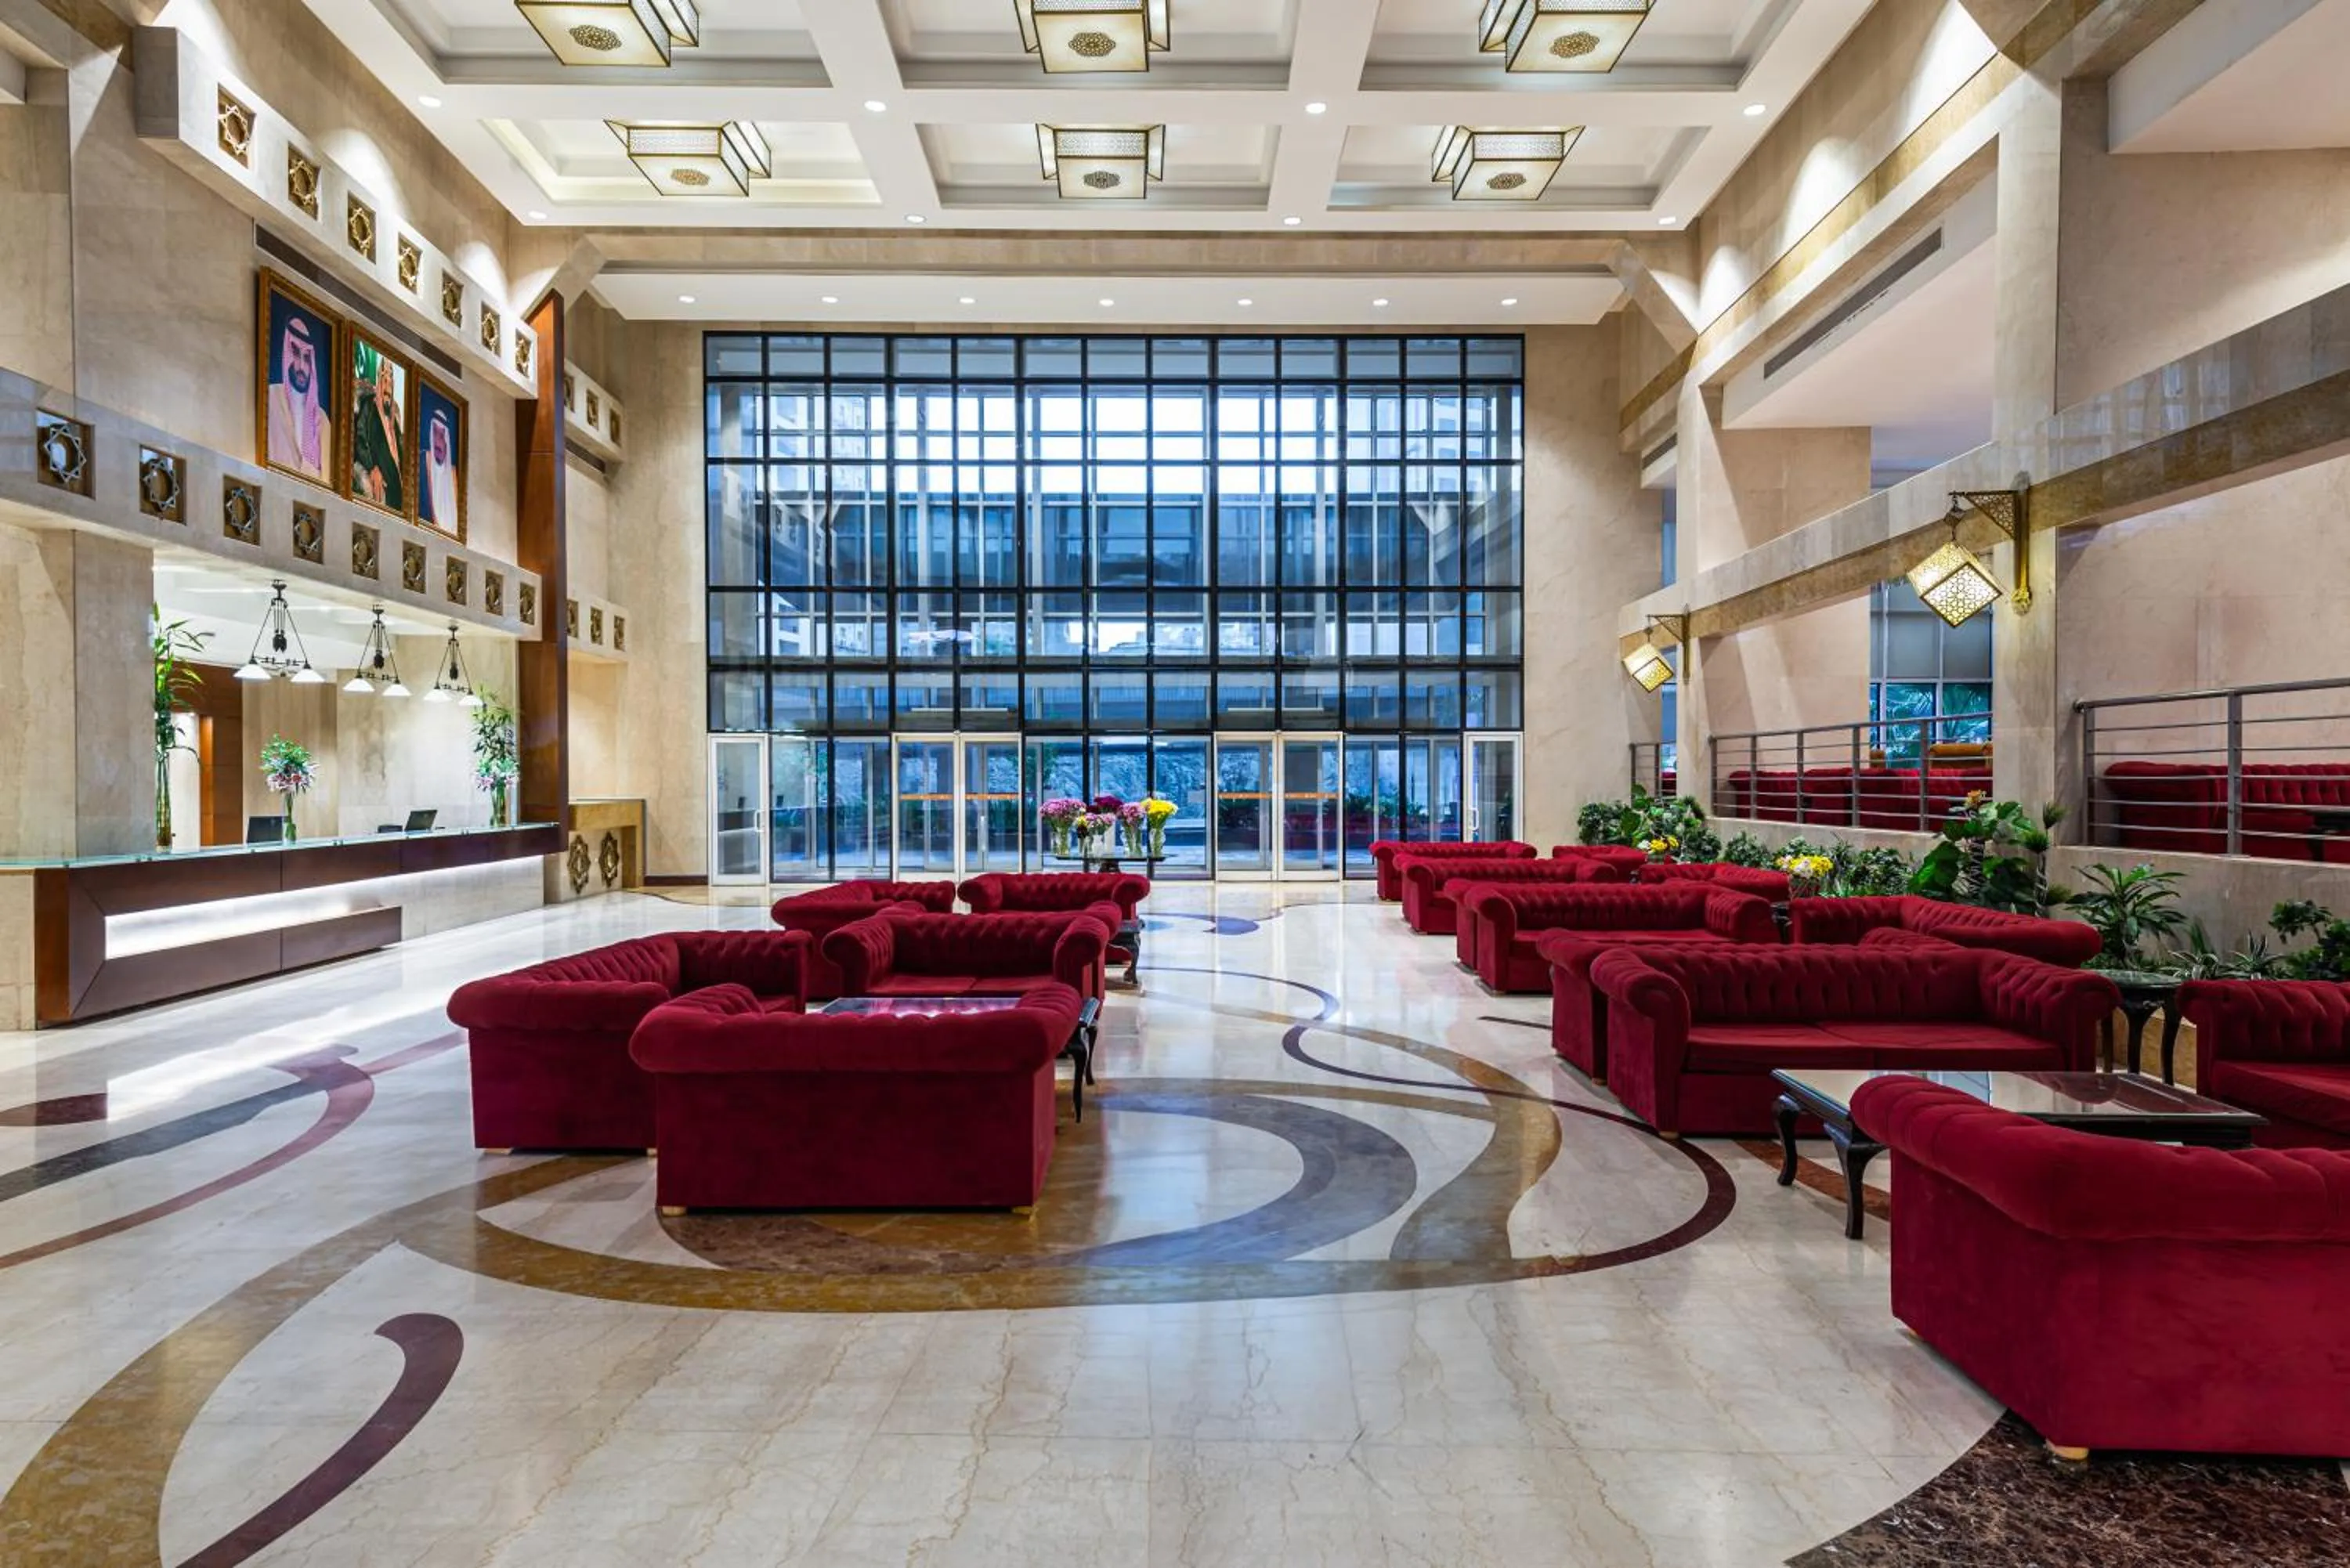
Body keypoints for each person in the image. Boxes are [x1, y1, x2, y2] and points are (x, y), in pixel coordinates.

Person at [265, 309, 328, 481]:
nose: (301, 367)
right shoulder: (270, 399)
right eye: (295, 353)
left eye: (307, 358)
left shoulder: (322, 420)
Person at [350, 345, 405, 511]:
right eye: (384, 380)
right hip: (379, 471)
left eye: (390, 382)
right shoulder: (369, 406)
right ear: (379, 383)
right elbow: (360, 440)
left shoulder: (394, 418)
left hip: (396, 476)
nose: (387, 386)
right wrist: (372, 468)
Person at [422, 404, 459, 531]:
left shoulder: (453, 473)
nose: (438, 442)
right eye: (435, 434)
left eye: (442, 436)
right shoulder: (424, 461)